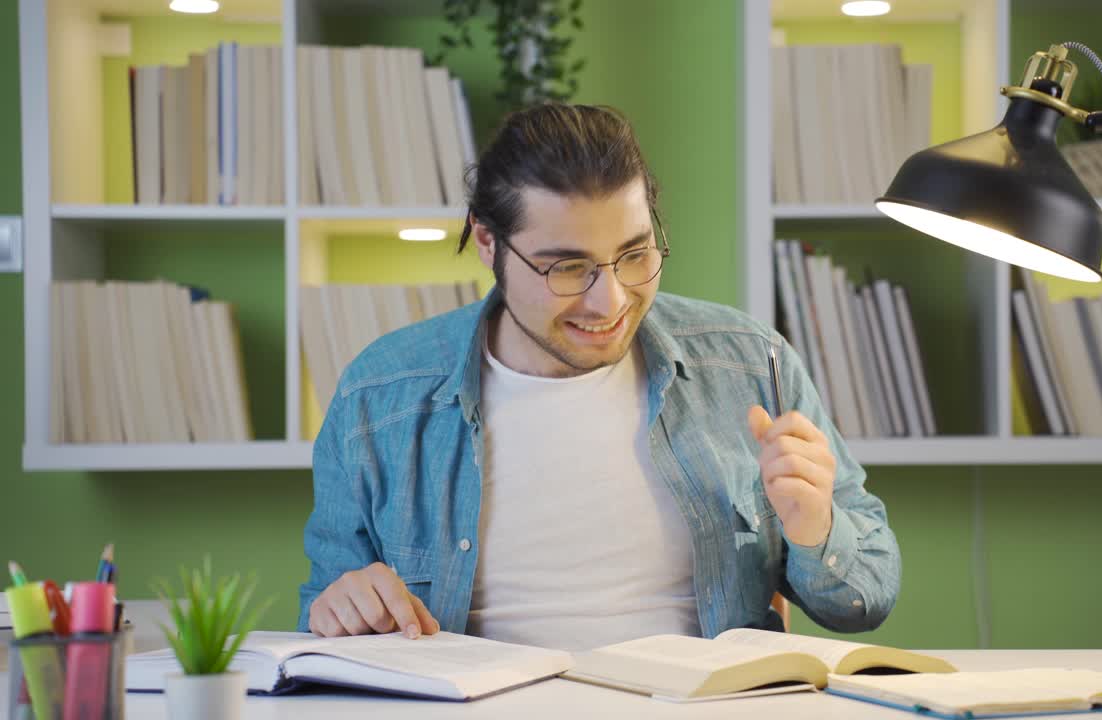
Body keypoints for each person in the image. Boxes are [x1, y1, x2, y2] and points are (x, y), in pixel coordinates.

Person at [298, 103, 900, 652]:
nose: (608, 301)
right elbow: (325, 629)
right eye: (567, 267)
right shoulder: (379, 396)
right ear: (488, 242)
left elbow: (867, 598)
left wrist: (814, 527)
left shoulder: (748, 364)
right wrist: (343, 608)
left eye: (634, 255)